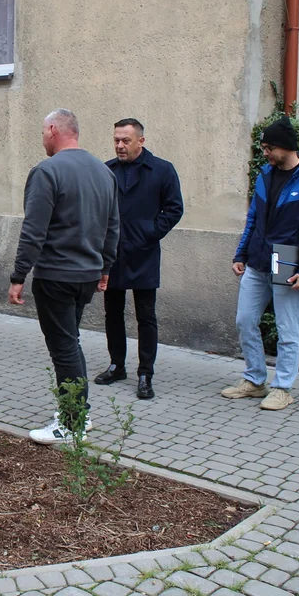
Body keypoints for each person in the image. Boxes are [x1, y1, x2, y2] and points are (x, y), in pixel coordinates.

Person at [9, 108, 119, 445]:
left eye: (43, 132)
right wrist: (104, 268)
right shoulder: (104, 172)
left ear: (54, 129)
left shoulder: (46, 171)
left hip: (57, 274)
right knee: (70, 342)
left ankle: (72, 421)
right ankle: (76, 413)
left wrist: (18, 275)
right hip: (86, 274)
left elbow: (33, 230)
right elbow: (113, 226)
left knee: (64, 347)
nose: (42, 138)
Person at [226, 115, 299, 410]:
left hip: (289, 264)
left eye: (268, 148)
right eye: (263, 148)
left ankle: (283, 387)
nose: (265, 154)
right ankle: (255, 380)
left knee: (287, 330)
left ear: (285, 147)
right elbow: (254, 218)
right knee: (244, 321)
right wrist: (241, 254)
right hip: (258, 261)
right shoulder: (265, 175)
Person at [95, 118, 183, 400]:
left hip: (144, 253)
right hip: (113, 254)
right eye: (116, 141)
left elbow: (174, 208)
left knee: (146, 316)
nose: (120, 146)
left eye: (126, 141)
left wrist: (150, 232)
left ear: (141, 141)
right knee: (112, 313)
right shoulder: (107, 171)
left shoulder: (161, 170)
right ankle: (116, 364)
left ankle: (145, 373)